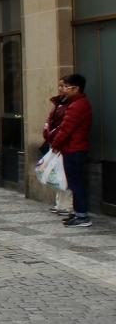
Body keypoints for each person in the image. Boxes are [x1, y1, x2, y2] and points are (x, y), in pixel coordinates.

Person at [49, 73, 93, 228]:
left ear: (76, 88)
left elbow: (66, 129)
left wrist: (55, 144)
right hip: (72, 148)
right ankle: (77, 213)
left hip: (75, 149)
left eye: (67, 87)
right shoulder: (74, 103)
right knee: (74, 183)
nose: (64, 90)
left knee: (76, 183)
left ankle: (82, 216)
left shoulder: (77, 105)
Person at [42, 79, 73, 216]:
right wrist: (47, 131)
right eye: (60, 86)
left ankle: (67, 206)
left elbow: (63, 127)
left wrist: (53, 137)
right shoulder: (58, 102)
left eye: (65, 86)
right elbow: (50, 120)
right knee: (56, 173)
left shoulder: (69, 104)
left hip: (62, 144)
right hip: (54, 142)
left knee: (63, 175)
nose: (61, 88)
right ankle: (59, 204)